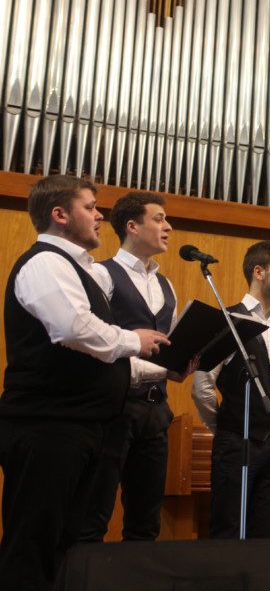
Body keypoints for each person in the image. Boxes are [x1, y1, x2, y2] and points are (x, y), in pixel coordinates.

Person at [0, 175, 168, 591]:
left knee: (67, 544)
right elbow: (73, 329)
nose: (99, 216)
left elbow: (93, 361)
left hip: (81, 427)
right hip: (47, 426)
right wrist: (135, 340)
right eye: (90, 207)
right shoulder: (45, 263)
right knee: (33, 545)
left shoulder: (82, 270)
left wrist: (163, 369)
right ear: (60, 214)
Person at [79, 191, 190, 543]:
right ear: (132, 226)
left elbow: (169, 343)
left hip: (157, 409)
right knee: (93, 514)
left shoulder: (165, 284)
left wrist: (181, 363)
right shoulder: (101, 274)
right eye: (158, 219)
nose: (168, 227)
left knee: (146, 521)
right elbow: (93, 341)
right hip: (115, 408)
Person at [192, 240, 270, 538]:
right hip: (236, 444)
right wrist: (226, 428)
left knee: (266, 534)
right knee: (229, 530)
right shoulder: (228, 320)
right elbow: (202, 387)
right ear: (259, 272)